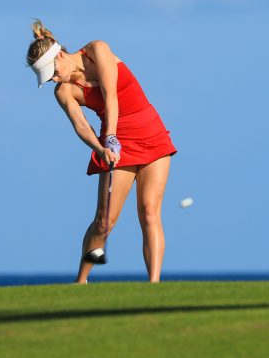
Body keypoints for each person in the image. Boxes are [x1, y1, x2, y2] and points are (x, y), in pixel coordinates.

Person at [26, 19, 177, 284]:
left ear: (60, 55)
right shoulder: (63, 92)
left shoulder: (97, 50)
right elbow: (81, 126)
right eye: (48, 77)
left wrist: (110, 136)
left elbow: (111, 96)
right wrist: (101, 147)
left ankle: (155, 286)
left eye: (52, 71)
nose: (53, 79)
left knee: (150, 212)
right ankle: (81, 281)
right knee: (104, 221)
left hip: (150, 133)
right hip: (116, 146)